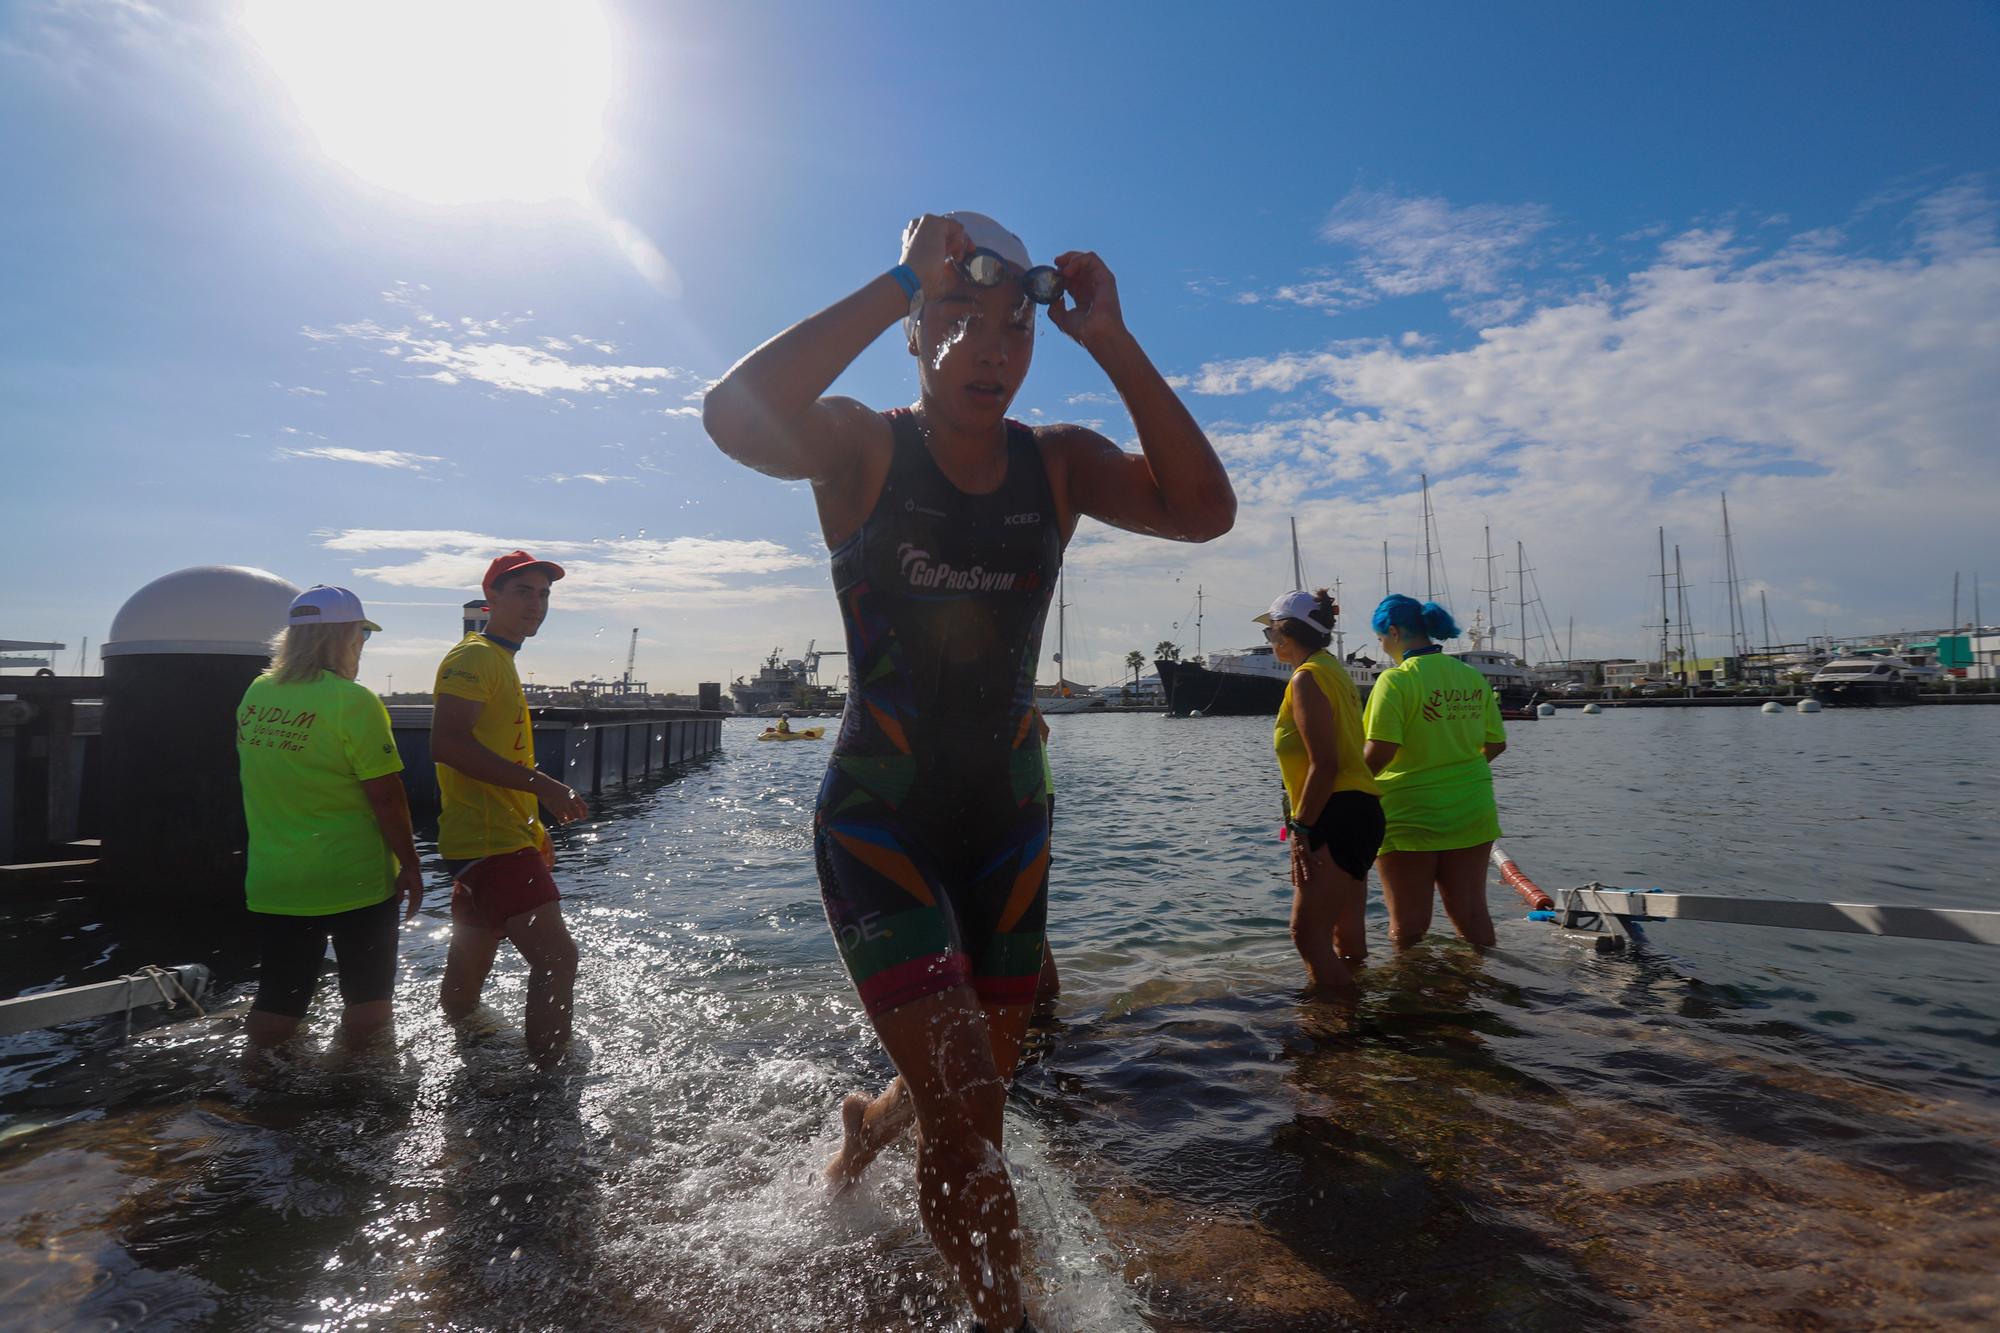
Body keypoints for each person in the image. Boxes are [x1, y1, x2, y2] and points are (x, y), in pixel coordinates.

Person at [704, 210, 1234, 1332]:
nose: (991, 346)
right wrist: (896, 276)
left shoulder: (1058, 464)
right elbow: (729, 416)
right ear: (911, 326)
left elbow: (1202, 512)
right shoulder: (859, 447)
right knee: (974, 1111)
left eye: (1013, 325)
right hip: (877, 820)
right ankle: (1009, 1320)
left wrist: (1114, 342)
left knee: (971, 1091)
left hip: (1007, 820)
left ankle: (866, 1130)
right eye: (958, 314)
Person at [236, 585, 422, 1058]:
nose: (363, 644)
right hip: (353, 878)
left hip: (277, 879)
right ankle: (353, 1095)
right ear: (343, 637)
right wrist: (412, 864)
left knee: (278, 1001)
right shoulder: (352, 701)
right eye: (362, 634)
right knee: (368, 1002)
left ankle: (255, 1090)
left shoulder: (255, 696)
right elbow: (386, 796)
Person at [431, 551, 590, 1069]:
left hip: (493, 839)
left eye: (544, 594)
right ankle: (548, 1090)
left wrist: (532, 828)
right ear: (491, 598)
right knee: (558, 960)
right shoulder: (475, 658)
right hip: (489, 840)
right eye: (523, 592)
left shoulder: (499, 659)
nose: (537, 604)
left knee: (467, 976)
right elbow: (448, 744)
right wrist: (544, 785)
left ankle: (464, 1065)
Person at [1361, 594, 1507, 950]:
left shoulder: (1395, 681)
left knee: (1409, 924)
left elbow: (1380, 750)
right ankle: (1487, 987)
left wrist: (1345, 787)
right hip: (1471, 806)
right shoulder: (1471, 676)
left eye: (1381, 638)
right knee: (1472, 914)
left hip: (1410, 811)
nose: (1382, 646)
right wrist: (1455, 767)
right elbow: (1496, 743)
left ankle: (1410, 997)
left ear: (1393, 632)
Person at [1256, 588, 1385, 993]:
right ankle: (1359, 1019)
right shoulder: (1333, 670)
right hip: (1362, 809)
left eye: (1270, 634)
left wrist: (1301, 829)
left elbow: (1324, 764)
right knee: (1347, 939)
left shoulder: (1307, 678)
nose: (1270, 642)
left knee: (1307, 935)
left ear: (1285, 634)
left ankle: (1340, 1032)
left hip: (1334, 813)